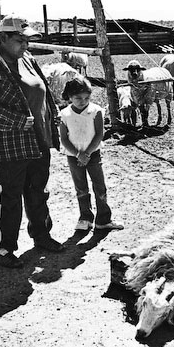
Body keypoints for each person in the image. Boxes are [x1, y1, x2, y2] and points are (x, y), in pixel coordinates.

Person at [0, 13, 64, 269]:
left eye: (27, 40)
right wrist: (16, 121)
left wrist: (52, 117)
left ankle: (41, 234)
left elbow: (43, 91)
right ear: (3, 38)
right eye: (20, 40)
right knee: (8, 197)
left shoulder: (27, 59)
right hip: (8, 145)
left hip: (38, 139)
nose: (25, 45)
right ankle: (4, 248)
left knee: (38, 191)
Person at [58, 76, 124, 233]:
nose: (83, 101)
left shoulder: (96, 111)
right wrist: (78, 154)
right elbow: (64, 139)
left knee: (99, 186)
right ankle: (85, 218)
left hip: (92, 154)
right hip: (73, 156)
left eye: (86, 98)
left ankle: (103, 219)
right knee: (81, 188)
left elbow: (99, 134)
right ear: (70, 97)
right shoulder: (64, 114)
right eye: (78, 98)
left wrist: (87, 153)